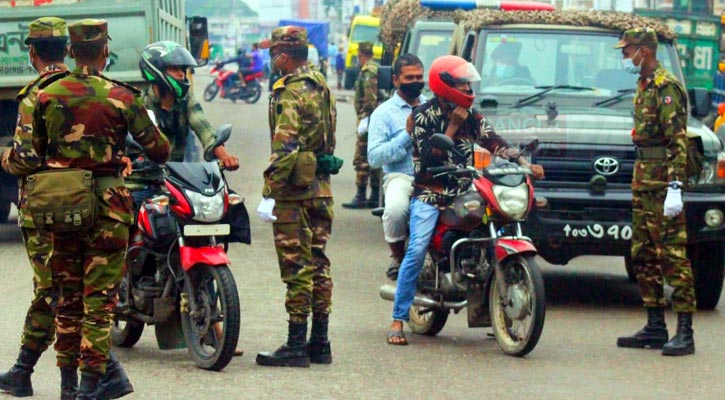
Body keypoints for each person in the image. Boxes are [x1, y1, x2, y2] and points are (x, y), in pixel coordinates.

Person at [26, 19, 171, 397]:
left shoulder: (47, 96)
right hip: (108, 209)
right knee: (99, 305)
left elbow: (35, 154)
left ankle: (67, 388)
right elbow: (159, 149)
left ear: (72, 52)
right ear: (105, 50)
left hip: (62, 208)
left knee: (68, 300)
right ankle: (90, 390)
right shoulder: (122, 97)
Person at [0, 17, 133, 400]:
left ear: (32, 52)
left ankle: (88, 376)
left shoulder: (36, 94)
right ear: (67, 50)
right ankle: (46, 374)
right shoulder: (91, 89)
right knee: (65, 290)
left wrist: (7, 160)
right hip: (90, 204)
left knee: (58, 290)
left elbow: (25, 158)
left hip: (47, 207)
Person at [386, 55, 544, 345]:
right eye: (462, 83)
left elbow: (494, 142)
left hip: (465, 186)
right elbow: (427, 156)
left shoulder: (471, 115)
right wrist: (452, 129)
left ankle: (495, 306)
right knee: (418, 246)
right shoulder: (422, 114)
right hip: (431, 191)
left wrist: (523, 161)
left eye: (469, 83)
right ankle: (398, 319)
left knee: (495, 227)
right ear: (445, 84)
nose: (468, 88)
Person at [255, 26, 338, 367]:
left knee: (296, 266)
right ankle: (320, 342)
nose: (273, 61)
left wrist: (269, 193)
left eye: (274, 54)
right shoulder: (320, 85)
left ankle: (295, 344)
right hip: (320, 186)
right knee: (318, 261)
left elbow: (285, 148)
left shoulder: (290, 92)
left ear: (284, 56)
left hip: (294, 191)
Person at [614, 27, 696, 356]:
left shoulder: (666, 87)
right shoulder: (643, 84)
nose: (624, 57)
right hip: (643, 179)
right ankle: (655, 326)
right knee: (643, 255)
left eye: (627, 50)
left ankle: (685, 332)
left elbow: (678, 141)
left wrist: (676, 187)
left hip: (663, 182)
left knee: (672, 255)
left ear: (643, 51)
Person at [138, 40, 239, 194]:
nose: (182, 74)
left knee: (231, 203)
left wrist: (225, 156)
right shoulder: (139, 104)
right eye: (174, 69)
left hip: (176, 177)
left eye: (183, 69)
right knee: (135, 208)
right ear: (155, 70)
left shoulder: (186, 100)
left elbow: (202, 126)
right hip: (144, 179)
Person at [367, 53, 426, 281]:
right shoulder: (383, 113)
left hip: (435, 176)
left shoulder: (434, 105)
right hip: (402, 176)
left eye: (419, 77)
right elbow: (374, 157)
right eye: (409, 77)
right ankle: (400, 259)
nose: (415, 81)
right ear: (395, 80)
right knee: (394, 210)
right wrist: (406, 134)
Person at [343, 41, 384, 209]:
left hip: (368, 119)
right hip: (373, 118)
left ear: (362, 55)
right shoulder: (376, 68)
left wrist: (367, 118)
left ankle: (361, 195)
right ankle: (374, 196)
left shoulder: (368, 71)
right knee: (373, 158)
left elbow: (369, 97)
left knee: (361, 158)